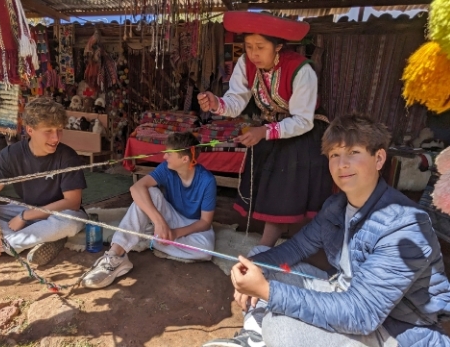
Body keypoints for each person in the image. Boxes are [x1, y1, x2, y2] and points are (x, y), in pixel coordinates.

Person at [203, 114, 450, 347]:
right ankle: (256, 336)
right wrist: (254, 267)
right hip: (343, 293)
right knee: (263, 259)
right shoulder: (337, 207)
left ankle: (262, 332)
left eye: (354, 153)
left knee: (281, 328)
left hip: (393, 330)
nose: (342, 164)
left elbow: (362, 315)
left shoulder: (404, 225)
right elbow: (298, 247)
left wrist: (267, 291)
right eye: (334, 154)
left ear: (379, 159)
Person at [198, 11, 332, 247]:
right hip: (273, 128)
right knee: (265, 170)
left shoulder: (301, 70)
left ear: (278, 46)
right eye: (249, 46)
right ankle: (272, 235)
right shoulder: (246, 64)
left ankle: (272, 242)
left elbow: (303, 120)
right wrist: (216, 103)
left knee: (285, 175)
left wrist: (265, 132)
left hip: (304, 131)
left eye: (260, 46)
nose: (253, 53)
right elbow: (236, 100)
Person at [82, 132, 217, 289]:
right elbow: (136, 188)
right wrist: (160, 223)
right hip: (168, 216)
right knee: (149, 193)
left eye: (169, 153)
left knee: (206, 251)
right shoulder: (166, 169)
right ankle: (116, 255)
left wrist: (174, 234)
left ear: (184, 159)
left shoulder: (207, 180)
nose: (164, 157)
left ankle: (154, 239)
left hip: (191, 225)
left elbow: (205, 222)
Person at [0, 98, 88, 266]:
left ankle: (4, 244)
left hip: (57, 214)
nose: (56, 137)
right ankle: (40, 240)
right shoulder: (10, 155)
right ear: (30, 130)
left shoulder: (67, 156)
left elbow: (72, 203)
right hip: (26, 210)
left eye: (59, 130)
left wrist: (24, 216)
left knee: (71, 222)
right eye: (48, 131)